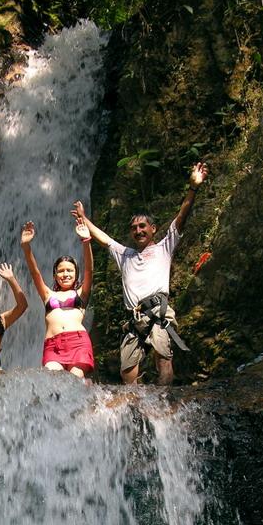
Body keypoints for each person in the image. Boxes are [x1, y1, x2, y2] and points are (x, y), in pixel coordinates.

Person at [73, 161, 208, 385]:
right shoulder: (124, 255)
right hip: (134, 318)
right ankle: (136, 404)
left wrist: (193, 187)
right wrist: (83, 218)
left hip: (158, 312)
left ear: (153, 229)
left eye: (143, 226)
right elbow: (104, 239)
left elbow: (181, 218)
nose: (138, 231)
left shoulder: (164, 247)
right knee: (127, 372)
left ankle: (163, 400)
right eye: (134, 228)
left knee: (163, 359)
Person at [20, 218, 95, 378]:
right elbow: (35, 273)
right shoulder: (48, 294)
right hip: (53, 345)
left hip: (78, 342)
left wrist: (86, 241)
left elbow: (89, 270)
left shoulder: (81, 294)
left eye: (70, 270)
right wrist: (26, 247)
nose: (65, 274)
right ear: (54, 275)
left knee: (74, 381)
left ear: (76, 275)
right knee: (53, 382)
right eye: (61, 271)